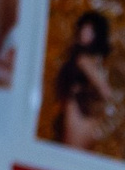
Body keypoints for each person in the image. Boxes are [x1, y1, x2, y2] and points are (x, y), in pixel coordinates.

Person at [48, 9, 116, 151]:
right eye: (84, 30)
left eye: (90, 32)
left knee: (71, 149)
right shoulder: (90, 59)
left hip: (80, 112)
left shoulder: (84, 60)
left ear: (97, 35)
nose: (84, 34)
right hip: (80, 111)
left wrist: (85, 94)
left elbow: (106, 92)